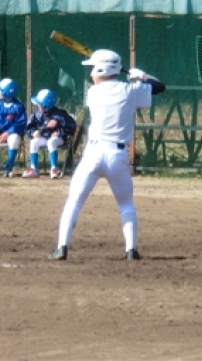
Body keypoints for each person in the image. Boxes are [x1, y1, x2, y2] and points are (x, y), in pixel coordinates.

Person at [48, 49, 165, 261]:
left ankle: (61, 247)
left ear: (102, 69)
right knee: (126, 204)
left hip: (93, 154)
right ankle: (131, 250)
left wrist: (134, 80)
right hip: (117, 155)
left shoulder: (93, 92)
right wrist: (141, 76)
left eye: (94, 68)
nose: (92, 72)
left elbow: (119, 88)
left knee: (74, 201)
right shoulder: (129, 90)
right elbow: (160, 87)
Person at [22, 88, 77, 179]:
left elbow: (71, 126)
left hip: (58, 139)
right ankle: (33, 169)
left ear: (46, 105)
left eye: (39, 103)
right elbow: (28, 128)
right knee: (34, 142)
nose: (37, 105)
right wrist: (33, 132)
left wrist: (59, 132)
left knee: (51, 142)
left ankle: (54, 169)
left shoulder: (60, 114)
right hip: (44, 137)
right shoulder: (36, 114)